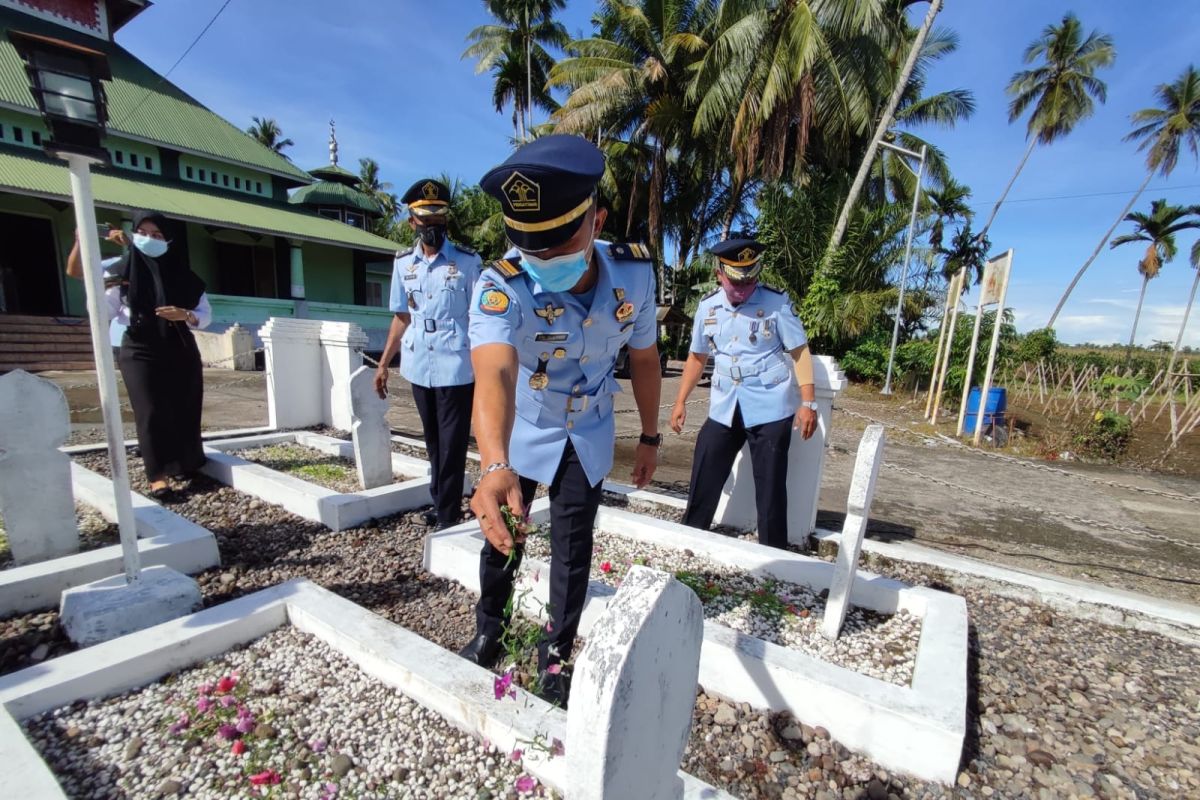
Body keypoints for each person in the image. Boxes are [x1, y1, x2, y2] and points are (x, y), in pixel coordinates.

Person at [458, 134, 663, 707]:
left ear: (595, 220)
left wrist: (649, 436)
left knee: (574, 547)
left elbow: (644, 359)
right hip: (522, 427)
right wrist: (494, 461)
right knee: (504, 537)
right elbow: (493, 372)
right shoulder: (500, 283)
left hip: (589, 428)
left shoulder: (635, 276)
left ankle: (558, 653)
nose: (541, 258)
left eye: (555, 242)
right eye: (529, 245)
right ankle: (489, 628)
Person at [669, 237, 818, 550]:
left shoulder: (776, 303)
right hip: (725, 405)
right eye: (737, 281)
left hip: (771, 405)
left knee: (771, 487)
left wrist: (808, 402)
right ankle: (689, 539)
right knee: (705, 471)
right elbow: (697, 357)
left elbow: (799, 351)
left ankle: (773, 556)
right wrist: (680, 401)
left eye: (750, 280)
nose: (743, 287)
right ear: (720, 273)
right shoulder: (708, 307)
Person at [66, 211, 210, 500]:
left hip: (179, 343)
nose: (150, 239)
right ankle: (157, 477)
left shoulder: (183, 275)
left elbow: (205, 316)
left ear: (168, 240)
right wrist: (82, 242)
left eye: (157, 235)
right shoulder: (121, 270)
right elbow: (93, 297)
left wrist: (186, 315)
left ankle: (185, 463)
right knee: (150, 410)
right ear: (134, 234)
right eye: (143, 232)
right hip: (139, 346)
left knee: (184, 405)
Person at [375, 179, 482, 529]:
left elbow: (481, 319)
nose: (433, 228)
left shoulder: (468, 263)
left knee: (452, 444)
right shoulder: (403, 264)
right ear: (412, 223)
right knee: (433, 441)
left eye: (439, 222)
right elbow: (401, 316)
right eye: (426, 222)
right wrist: (383, 363)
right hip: (419, 362)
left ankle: (448, 515)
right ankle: (441, 504)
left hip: (456, 364)